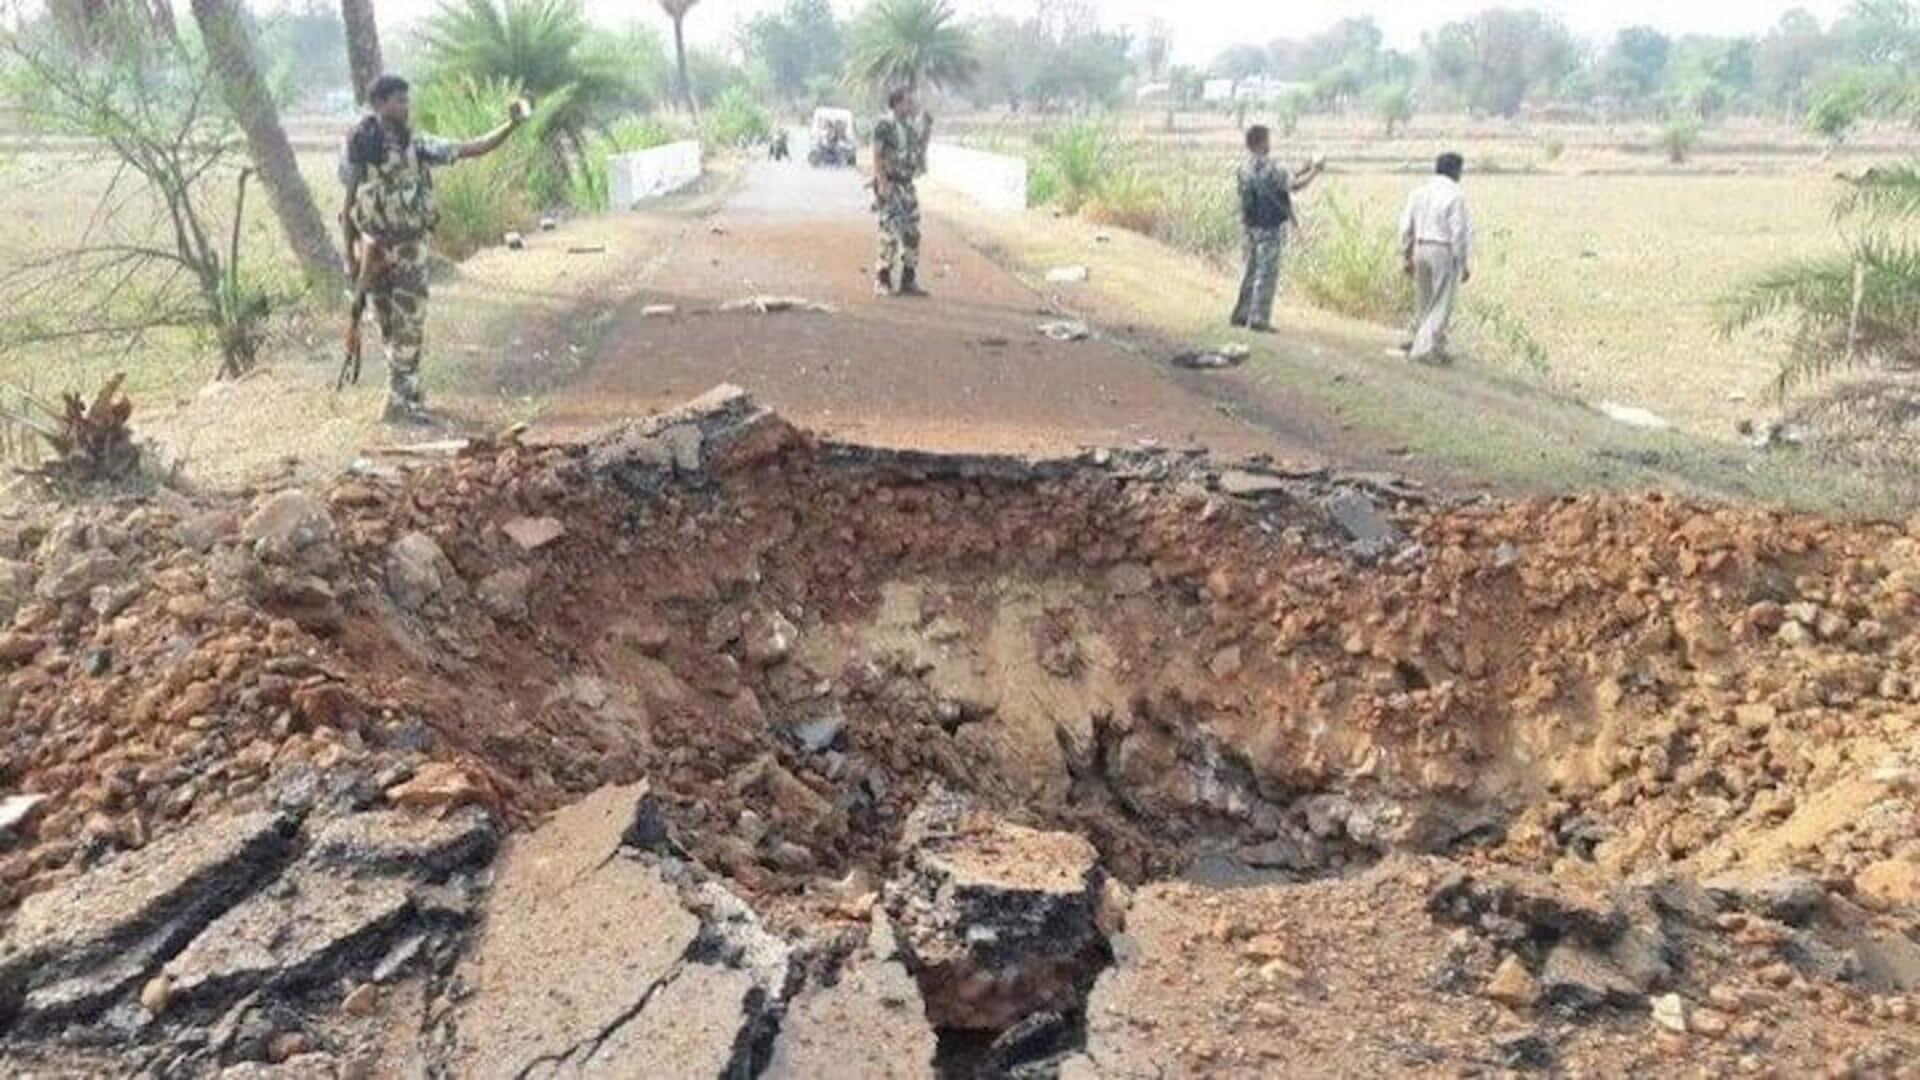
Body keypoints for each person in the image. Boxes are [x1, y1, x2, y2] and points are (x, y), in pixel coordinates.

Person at [340, 75, 527, 423]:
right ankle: (403, 401)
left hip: (409, 248)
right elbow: (348, 205)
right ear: (379, 104)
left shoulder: (418, 146)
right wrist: (350, 259)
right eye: (398, 101)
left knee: (408, 327)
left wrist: (511, 126)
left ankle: (403, 400)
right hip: (374, 250)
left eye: (406, 100)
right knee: (390, 329)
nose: (405, 107)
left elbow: (473, 147)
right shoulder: (358, 148)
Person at [1230, 125, 1324, 332]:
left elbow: (1281, 180)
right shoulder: (1273, 167)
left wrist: (1305, 166)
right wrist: (1315, 171)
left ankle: (1242, 313)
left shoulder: (1243, 167)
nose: (1270, 143)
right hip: (1269, 227)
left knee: (1250, 271)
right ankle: (1259, 318)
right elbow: (1293, 185)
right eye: (1268, 139)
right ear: (1262, 142)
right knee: (1267, 273)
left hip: (1249, 226)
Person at [1398, 152, 1472, 364]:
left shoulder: (1419, 192)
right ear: (1456, 170)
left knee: (1425, 301)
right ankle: (1424, 349)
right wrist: (1462, 262)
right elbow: (1459, 233)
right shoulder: (1455, 195)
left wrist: (1406, 253)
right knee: (1441, 304)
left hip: (1420, 246)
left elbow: (1405, 226)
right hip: (1442, 249)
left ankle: (1430, 344)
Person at [871, 87, 932, 298]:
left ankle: (908, 279)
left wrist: (927, 131)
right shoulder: (884, 126)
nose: (912, 106)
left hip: (907, 185)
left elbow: (919, 151)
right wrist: (882, 183)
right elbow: (877, 155)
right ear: (897, 103)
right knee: (889, 233)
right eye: (908, 102)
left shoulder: (909, 128)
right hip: (892, 183)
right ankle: (882, 279)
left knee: (912, 233)